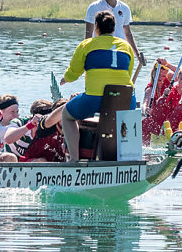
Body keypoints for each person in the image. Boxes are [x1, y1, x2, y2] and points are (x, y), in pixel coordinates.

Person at [45, 10, 135, 161]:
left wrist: (65, 79)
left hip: (95, 98)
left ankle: (74, 159)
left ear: (96, 27)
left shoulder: (87, 45)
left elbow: (74, 72)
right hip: (125, 100)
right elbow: (128, 73)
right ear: (113, 28)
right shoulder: (126, 47)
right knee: (122, 118)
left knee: (67, 115)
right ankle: (128, 157)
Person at [84, 0, 144, 67]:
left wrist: (137, 55)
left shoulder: (125, 8)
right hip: (100, 51)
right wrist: (86, 54)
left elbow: (127, 33)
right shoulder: (94, 7)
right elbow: (88, 33)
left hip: (119, 52)